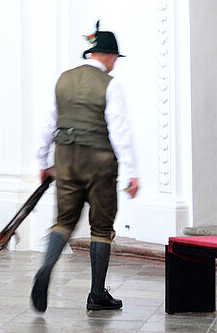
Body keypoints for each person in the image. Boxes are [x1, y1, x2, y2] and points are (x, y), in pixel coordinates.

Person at [31, 21, 139, 312]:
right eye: (115, 57)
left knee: (64, 221)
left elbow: (47, 124)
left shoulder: (63, 79)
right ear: (108, 56)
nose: (115, 62)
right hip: (99, 162)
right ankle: (96, 294)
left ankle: (47, 267)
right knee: (101, 227)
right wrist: (131, 172)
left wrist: (43, 162)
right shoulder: (110, 85)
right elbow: (120, 132)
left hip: (65, 160)